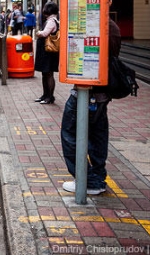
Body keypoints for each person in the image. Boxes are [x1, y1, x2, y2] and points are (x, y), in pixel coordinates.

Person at [60, 16, 121, 196]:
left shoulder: (97, 27)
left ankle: (87, 180)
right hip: (103, 92)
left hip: (88, 91)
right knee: (97, 136)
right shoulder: (113, 27)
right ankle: (97, 179)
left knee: (70, 133)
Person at [33, 1, 60, 105]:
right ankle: (45, 95)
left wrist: (38, 33)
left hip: (48, 52)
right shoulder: (53, 20)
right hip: (48, 52)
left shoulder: (51, 21)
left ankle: (49, 97)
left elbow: (45, 33)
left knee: (48, 74)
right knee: (45, 73)